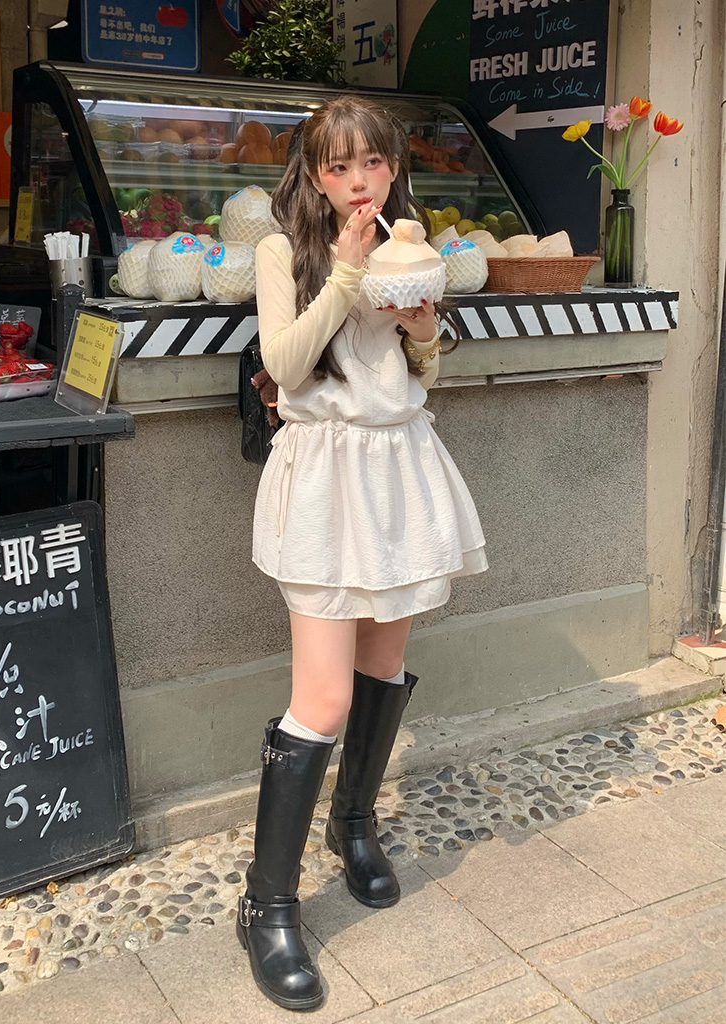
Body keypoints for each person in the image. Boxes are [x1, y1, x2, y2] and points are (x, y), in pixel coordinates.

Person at [237, 95, 488, 1012]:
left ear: (393, 166)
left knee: (383, 667)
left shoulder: (410, 245)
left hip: (400, 467)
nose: (357, 181)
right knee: (324, 697)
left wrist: (424, 331)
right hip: (323, 476)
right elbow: (286, 363)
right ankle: (266, 904)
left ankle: (354, 825)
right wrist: (345, 274)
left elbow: (422, 371)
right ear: (313, 173)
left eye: (372, 163)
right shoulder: (284, 251)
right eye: (338, 166)